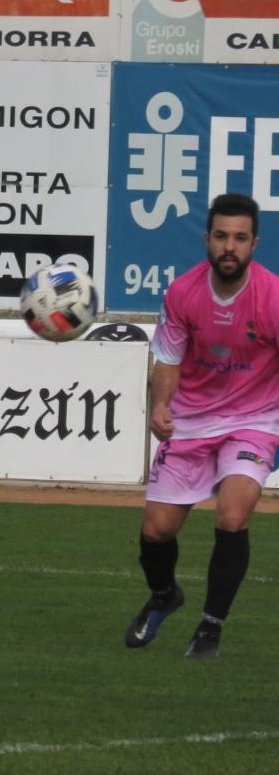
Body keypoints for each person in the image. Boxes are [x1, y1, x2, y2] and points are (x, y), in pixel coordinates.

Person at [125, 193, 279, 660]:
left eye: (239, 237)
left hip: (255, 420)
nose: (229, 246)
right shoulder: (183, 293)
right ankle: (165, 595)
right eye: (220, 236)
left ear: (254, 243)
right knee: (156, 531)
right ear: (207, 240)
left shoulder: (273, 297)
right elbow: (168, 359)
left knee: (233, 515)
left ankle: (210, 629)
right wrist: (160, 406)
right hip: (191, 422)